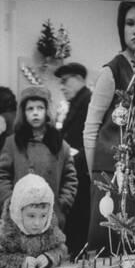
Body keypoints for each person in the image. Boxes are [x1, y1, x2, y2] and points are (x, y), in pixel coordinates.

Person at [83, 0, 135, 254]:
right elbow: (90, 130)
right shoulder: (112, 72)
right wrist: (97, 177)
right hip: (111, 177)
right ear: (120, 28)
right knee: (108, 252)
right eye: (129, 23)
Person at [0, 85, 78, 232]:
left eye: (40, 108)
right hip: (18, 218)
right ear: (23, 113)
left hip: (52, 218)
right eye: (30, 109)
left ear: (47, 111)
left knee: (50, 254)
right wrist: (10, 203)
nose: (35, 113)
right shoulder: (13, 143)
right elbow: (1, 176)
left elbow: (70, 178)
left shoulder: (60, 145)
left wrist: (61, 204)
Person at [0, 174, 69, 268]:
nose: (37, 223)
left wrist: (49, 257)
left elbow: (62, 249)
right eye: (31, 216)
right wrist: (20, 262)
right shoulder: (6, 231)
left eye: (43, 216)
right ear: (18, 212)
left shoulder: (50, 230)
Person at [54, 62, 92, 257]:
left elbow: (94, 138)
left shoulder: (88, 101)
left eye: (65, 81)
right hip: (74, 172)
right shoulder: (76, 102)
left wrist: (75, 156)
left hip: (81, 173)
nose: (62, 86)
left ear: (79, 78)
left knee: (79, 222)